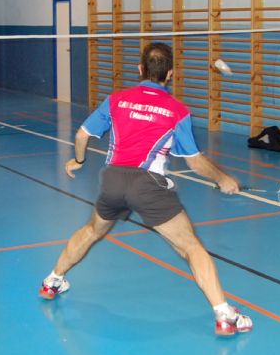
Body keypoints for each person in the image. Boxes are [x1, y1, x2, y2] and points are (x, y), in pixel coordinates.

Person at [39, 42, 253, 337]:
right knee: (191, 247)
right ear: (171, 74)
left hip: (112, 181)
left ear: (140, 69)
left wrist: (78, 160)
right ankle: (225, 315)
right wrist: (222, 179)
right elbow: (194, 161)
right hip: (148, 186)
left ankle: (52, 281)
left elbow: (82, 134)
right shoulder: (177, 110)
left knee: (91, 230)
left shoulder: (116, 100)